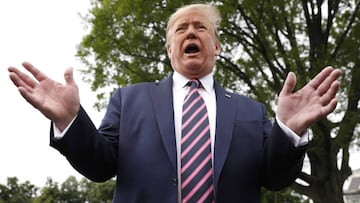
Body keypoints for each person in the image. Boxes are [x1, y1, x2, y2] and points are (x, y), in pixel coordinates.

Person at [8, 3, 341, 203]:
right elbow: (100, 166)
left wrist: (289, 131)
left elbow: (276, 177)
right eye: (181, 29)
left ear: (218, 46)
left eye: (201, 27)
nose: (191, 32)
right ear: (170, 49)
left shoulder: (250, 110)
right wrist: (71, 120)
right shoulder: (130, 98)